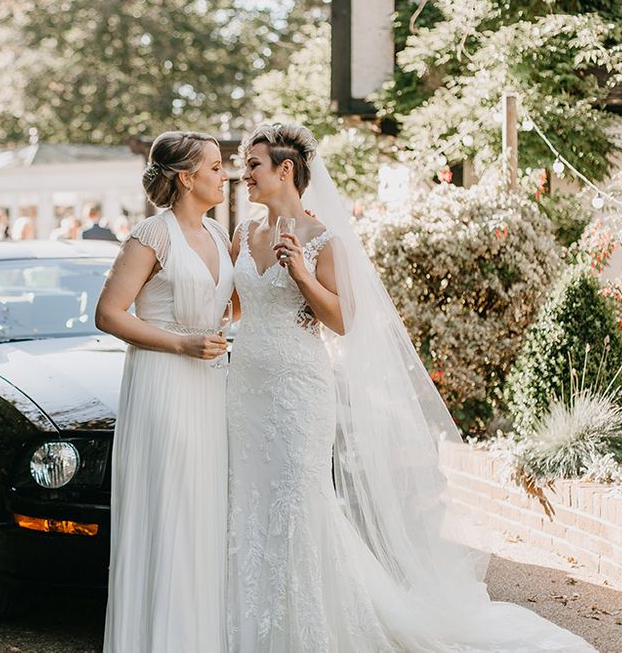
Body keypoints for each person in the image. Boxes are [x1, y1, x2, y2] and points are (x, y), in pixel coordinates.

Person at [226, 123, 596, 652]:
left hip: (297, 391)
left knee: (297, 501)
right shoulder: (243, 234)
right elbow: (236, 306)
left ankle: (307, 627)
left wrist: (304, 276)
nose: (245, 175)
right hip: (247, 387)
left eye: (253, 164)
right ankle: (251, 621)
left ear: (285, 170)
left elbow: (344, 321)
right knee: (250, 500)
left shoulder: (323, 238)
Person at [96, 131, 232, 652]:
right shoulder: (151, 235)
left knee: (203, 514)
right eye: (216, 167)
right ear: (186, 177)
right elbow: (108, 314)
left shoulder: (220, 236)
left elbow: (224, 306)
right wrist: (181, 344)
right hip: (163, 385)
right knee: (170, 510)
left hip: (208, 386)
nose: (225, 175)